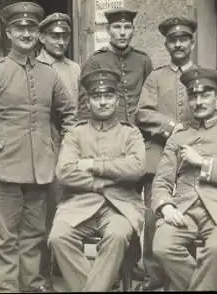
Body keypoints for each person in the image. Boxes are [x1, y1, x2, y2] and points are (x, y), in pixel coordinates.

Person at [0, 2, 77, 292]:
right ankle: (7, 289)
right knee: (5, 238)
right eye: (19, 28)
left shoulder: (50, 75)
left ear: (38, 33)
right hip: (3, 169)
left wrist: (63, 148)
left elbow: (70, 114)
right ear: (8, 32)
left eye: (31, 28)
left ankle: (33, 286)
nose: (26, 33)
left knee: (34, 235)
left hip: (40, 170)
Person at [150, 67, 217, 291]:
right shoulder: (178, 137)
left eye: (205, 95)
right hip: (185, 208)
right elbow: (162, 181)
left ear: (216, 98)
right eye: (193, 96)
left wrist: (203, 162)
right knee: (162, 246)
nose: (198, 101)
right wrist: (165, 206)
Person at [48, 68, 146, 291]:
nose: (103, 102)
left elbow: (136, 168)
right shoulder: (76, 134)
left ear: (117, 99)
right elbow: (65, 172)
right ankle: (100, 285)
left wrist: (93, 165)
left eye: (108, 96)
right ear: (88, 102)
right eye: (96, 97)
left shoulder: (131, 134)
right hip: (79, 204)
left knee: (118, 235)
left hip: (120, 205)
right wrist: (106, 180)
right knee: (58, 237)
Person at [134, 16, 199, 290]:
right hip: (159, 158)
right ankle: (153, 277)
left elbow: (214, 113)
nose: (178, 44)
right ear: (167, 44)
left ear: (192, 43)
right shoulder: (156, 77)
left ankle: (183, 279)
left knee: (187, 216)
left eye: (183, 39)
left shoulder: (202, 75)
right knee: (153, 218)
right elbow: (142, 113)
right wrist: (172, 127)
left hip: (191, 161)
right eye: (173, 40)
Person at [36, 11, 81, 280]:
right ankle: (42, 271)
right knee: (42, 209)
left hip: (68, 142)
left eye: (64, 36)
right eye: (55, 36)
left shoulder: (74, 68)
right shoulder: (35, 64)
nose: (60, 41)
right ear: (42, 38)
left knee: (65, 204)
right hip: (43, 143)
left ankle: (61, 266)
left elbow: (77, 108)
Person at [78, 8, 153, 124]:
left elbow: (150, 101)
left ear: (133, 30)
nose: (122, 33)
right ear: (108, 30)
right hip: (107, 130)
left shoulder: (143, 60)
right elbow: (85, 106)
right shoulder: (95, 61)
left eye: (127, 27)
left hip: (139, 130)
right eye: (117, 27)